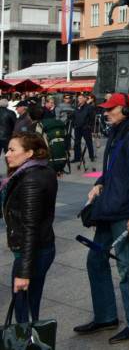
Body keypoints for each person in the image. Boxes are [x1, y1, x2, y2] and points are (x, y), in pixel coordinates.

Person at [75, 93, 129, 344]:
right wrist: (100, 183)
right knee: (95, 261)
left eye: (111, 109)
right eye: (106, 108)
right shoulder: (117, 131)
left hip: (123, 212)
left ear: (126, 110)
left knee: (127, 266)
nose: (106, 113)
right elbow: (112, 167)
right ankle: (106, 315)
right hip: (110, 208)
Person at [2, 132, 58, 323]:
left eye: (12, 150)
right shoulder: (38, 171)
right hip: (40, 248)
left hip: (32, 252)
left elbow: (30, 227)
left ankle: (27, 342)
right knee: (30, 303)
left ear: (29, 153)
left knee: (23, 307)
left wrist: (24, 273)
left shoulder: (31, 180)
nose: (6, 154)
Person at [70, 92, 97, 167]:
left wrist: (89, 126)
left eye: (81, 98)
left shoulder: (89, 107)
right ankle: (77, 157)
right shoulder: (76, 107)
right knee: (77, 143)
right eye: (79, 98)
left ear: (85, 99)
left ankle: (91, 156)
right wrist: (74, 124)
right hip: (77, 128)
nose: (79, 100)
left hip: (85, 128)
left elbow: (92, 118)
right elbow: (73, 116)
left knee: (89, 142)